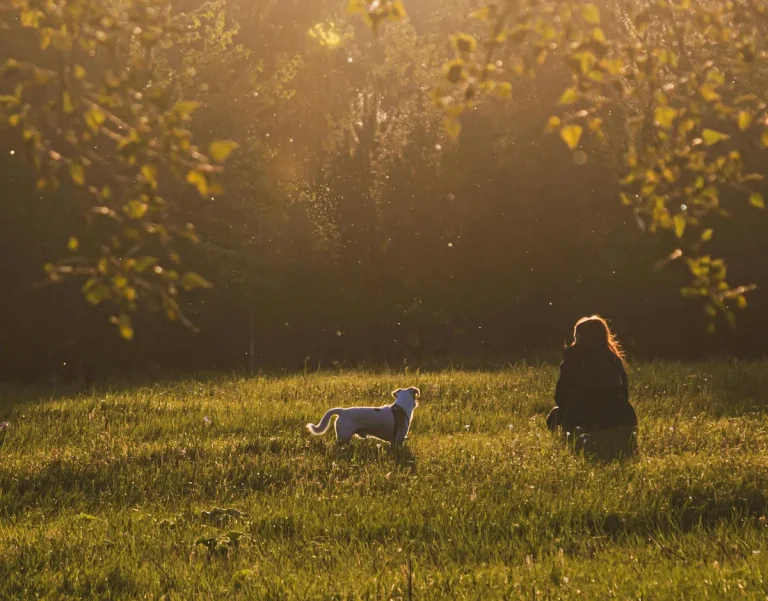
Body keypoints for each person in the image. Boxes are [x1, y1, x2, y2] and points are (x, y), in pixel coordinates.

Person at [546, 315, 638, 458]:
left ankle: (568, 450)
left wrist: (570, 410)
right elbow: (625, 393)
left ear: (580, 337)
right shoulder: (613, 358)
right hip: (623, 415)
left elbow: (561, 396)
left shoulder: (574, 357)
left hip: (589, 415)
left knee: (554, 415)